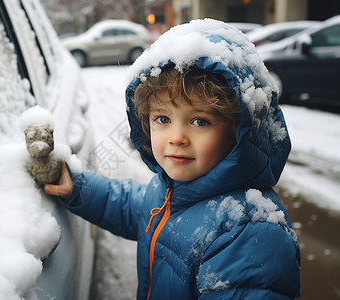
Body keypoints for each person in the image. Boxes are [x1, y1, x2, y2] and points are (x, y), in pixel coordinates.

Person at [44, 18, 300, 299]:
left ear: (238, 131)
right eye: (163, 119)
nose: (176, 137)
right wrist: (77, 188)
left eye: (200, 121)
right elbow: (131, 206)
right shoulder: (170, 190)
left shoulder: (247, 233)